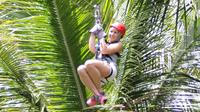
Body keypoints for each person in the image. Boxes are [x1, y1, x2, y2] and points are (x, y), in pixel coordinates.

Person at [77, 22, 126, 106]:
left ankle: (99, 92)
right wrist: (93, 34)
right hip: (100, 74)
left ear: (120, 35)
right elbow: (92, 49)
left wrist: (101, 36)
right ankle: (97, 95)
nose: (112, 34)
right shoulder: (104, 42)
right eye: (111, 31)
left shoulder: (119, 44)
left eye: (115, 32)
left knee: (89, 63)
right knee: (80, 69)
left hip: (110, 69)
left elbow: (105, 50)